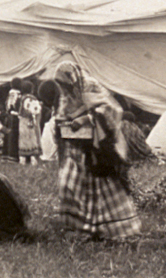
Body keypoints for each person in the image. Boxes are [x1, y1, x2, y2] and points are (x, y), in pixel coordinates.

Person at [53, 61, 140, 240]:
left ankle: (106, 228)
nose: (64, 89)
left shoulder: (90, 86)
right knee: (70, 183)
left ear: (73, 79)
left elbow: (109, 109)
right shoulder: (66, 93)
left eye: (65, 84)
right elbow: (63, 112)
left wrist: (85, 119)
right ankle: (80, 227)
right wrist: (62, 123)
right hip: (77, 146)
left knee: (101, 185)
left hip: (97, 146)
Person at [17, 80, 42, 165]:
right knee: (32, 137)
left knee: (23, 138)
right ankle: (33, 158)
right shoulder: (33, 98)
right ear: (32, 89)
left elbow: (21, 110)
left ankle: (22, 159)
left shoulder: (22, 98)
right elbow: (37, 109)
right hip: (32, 119)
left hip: (23, 120)